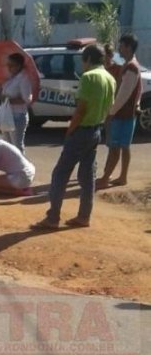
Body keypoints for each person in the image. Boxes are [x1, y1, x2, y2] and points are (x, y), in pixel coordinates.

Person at [31, 44, 115, 230]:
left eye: (83, 61)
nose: (82, 65)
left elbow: (81, 109)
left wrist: (70, 129)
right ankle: (84, 216)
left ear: (88, 60)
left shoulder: (89, 77)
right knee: (87, 176)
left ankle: (53, 217)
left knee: (60, 173)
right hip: (96, 130)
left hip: (82, 130)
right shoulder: (109, 78)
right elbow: (110, 108)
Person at [96, 34, 142, 189]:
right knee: (124, 146)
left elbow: (124, 94)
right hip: (126, 114)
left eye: (121, 45)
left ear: (128, 47)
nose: (119, 49)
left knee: (115, 148)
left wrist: (111, 112)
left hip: (122, 115)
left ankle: (105, 178)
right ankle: (122, 177)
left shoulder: (131, 67)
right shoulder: (131, 64)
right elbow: (137, 90)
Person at [0, 53, 33, 154]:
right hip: (7, 115)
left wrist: (9, 100)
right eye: (7, 65)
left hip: (18, 116)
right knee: (7, 146)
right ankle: (11, 169)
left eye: (11, 65)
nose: (8, 67)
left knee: (17, 146)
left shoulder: (23, 78)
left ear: (18, 66)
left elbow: (27, 99)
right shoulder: (10, 78)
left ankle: (22, 168)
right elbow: (4, 94)